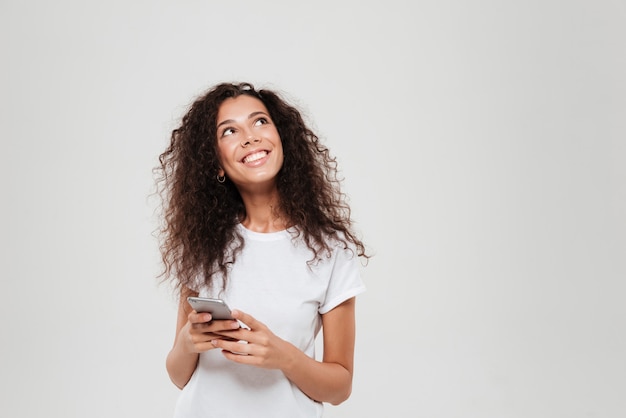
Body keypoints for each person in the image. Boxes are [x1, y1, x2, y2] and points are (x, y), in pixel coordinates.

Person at [155, 82, 368, 418]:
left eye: (260, 122)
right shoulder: (204, 244)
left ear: (282, 139)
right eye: (229, 130)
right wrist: (187, 341)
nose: (250, 137)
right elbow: (180, 375)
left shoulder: (330, 251)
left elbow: (340, 387)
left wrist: (284, 356)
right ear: (217, 164)